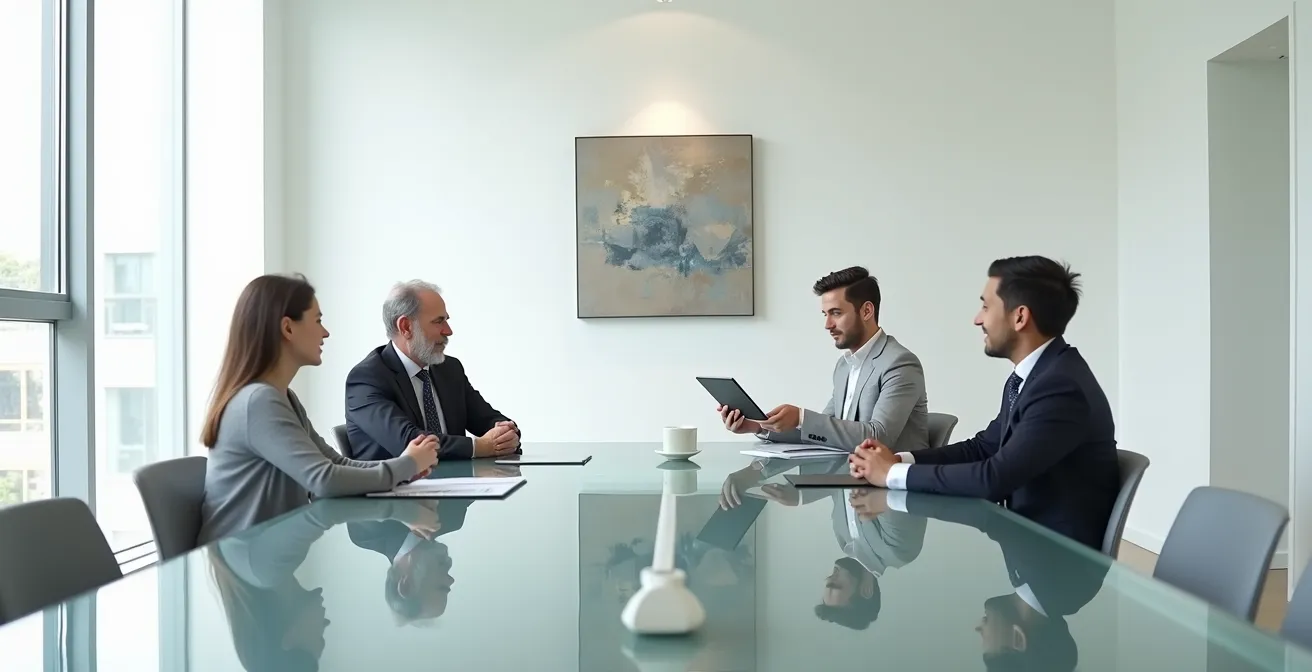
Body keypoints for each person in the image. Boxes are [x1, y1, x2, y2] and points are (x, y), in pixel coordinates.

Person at [849, 256, 1119, 548]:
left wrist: (891, 473)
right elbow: (984, 448)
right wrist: (899, 459)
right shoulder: (1034, 377)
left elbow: (993, 479)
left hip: (1053, 568)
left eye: (986, 306)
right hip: (1022, 544)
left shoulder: (1060, 388)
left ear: (1020, 317)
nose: (977, 319)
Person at [198, 274, 439, 545]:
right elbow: (324, 480)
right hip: (249, 558)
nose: (325, 332)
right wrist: (406, 465)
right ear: (288, 329)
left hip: (266, 555)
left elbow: (336, 464)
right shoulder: (258, 402)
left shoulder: (283, 397)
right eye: (317, 320)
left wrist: (403, 468)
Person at [718, 266, 930, 453]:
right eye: (825, 314)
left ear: (867, 311)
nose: (827, 324)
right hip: (849, 481)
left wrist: (801, 417)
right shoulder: (844, 366)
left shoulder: (900, 363)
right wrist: (757, 426)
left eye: (836, 313)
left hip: (893, 489)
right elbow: (827, 431)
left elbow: (879, 437)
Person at [889, 492, 1108, 672]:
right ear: (1017, 638)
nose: (978, 629)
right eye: (987, 643)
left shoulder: (1035, 585)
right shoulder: (1060, 582)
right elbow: (990, 518)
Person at [209, 499, 437, 671]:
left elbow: (326, 509)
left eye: (319, 638)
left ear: (290, 639)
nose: (326, 623)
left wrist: (405, 512)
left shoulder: (267, 569)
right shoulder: (260, 574)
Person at [719, 459, 925, 631]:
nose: (829, 577)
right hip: (877, 445)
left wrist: (800, 495)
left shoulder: (843, 540)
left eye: (827, 583)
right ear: (866, 590)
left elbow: (840, 477)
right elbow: (888, 487)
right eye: (836, 584)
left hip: (846, 446)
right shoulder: (898, 550)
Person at [345, 280, 521, 461]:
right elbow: (410, 443)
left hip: (457, 483)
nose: (448, 331)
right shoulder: (367, 378)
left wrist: (505, 433)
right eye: (439, 321)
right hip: (394, 487)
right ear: (406, 327)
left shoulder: (449, 369)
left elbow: (487, 419)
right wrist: (479, 447)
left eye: (446, 320)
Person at [347, 499, 463, 626]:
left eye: (442, 587)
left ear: (407, 585)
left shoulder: (365, 535)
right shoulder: (454, 519)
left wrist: (403, 512)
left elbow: (354, 485)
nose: (451, 580)